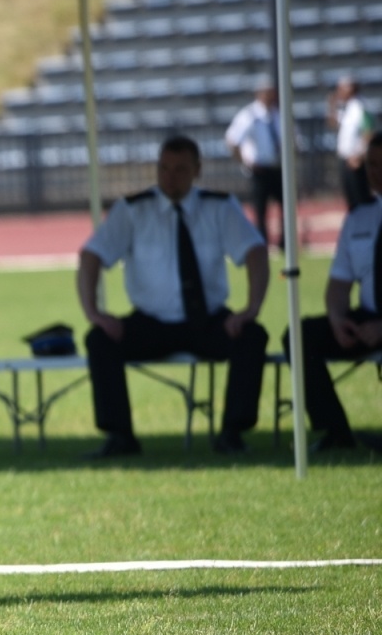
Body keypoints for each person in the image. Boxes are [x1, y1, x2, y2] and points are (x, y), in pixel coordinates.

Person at [78, 135, 270, 457]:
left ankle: (232, 433)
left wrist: (251, 308)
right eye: (164, 168)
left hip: (207, 320)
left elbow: (256, 252)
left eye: (180, 169)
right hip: (150, 322)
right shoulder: (133, 209)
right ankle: (120, 437)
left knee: (252, 336)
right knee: (99, 340)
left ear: (197, 170)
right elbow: (91, 256)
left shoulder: (219, 207)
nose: (170, 177)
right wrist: (94, 313)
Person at [283, 131, 382, 453]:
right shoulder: (359, 217)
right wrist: (339, 319)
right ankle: (335, 432)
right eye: (371, 164)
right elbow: (339, 282)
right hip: (367, 318)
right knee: (300, 336)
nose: (376, 172)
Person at [225, 77, 284, 246]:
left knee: (285, 206)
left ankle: (284, 241)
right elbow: (233, 140)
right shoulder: (249, 115)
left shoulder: (278, 114)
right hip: (260, 169)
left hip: (278, 168)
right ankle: (262, 242)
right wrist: (245, 162)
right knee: (260, 209)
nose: (270, 96)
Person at [328, 76, 375, 212]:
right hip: (346, 158)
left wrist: (359, 155)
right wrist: (331, 105)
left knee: (361, 198)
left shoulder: (360, 106)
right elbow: (333, 123)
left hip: (355, 160)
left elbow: (369, 131)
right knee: (352, 200)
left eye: (341, 89)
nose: (338, 92)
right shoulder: (348, 107)